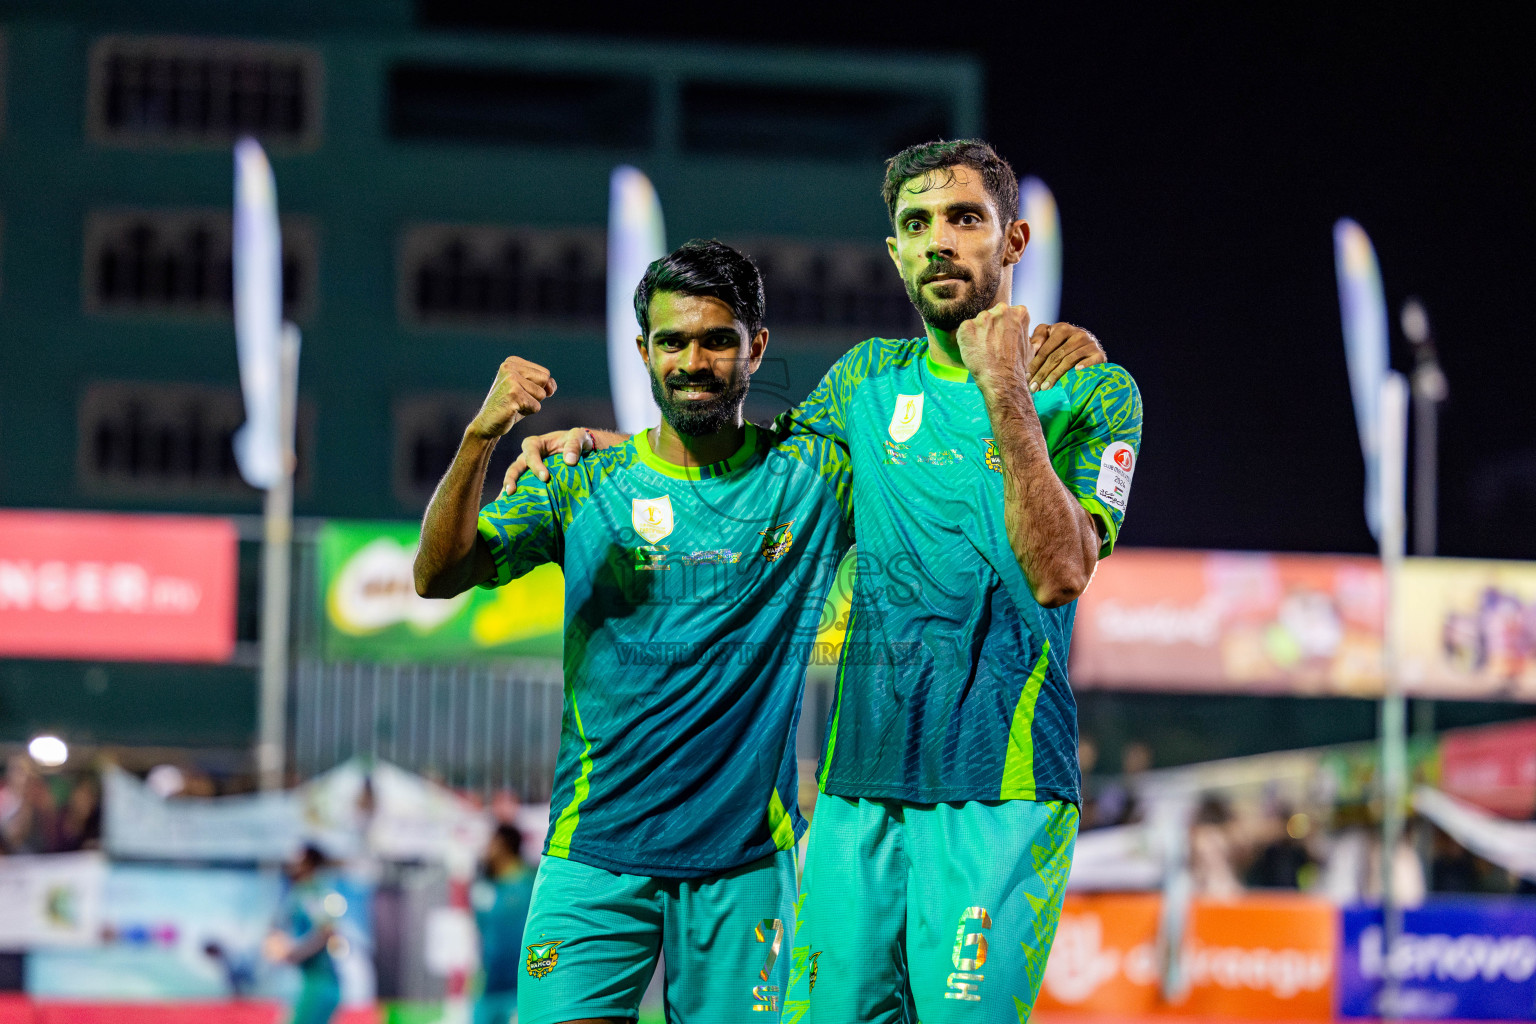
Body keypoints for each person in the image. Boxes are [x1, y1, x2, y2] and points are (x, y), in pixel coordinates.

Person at [504, 140, 1139, 1021]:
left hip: (1003, 785)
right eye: (917, 224)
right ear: (895, 253)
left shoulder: (1095, 393)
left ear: (1015, 239)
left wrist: (1006, 392)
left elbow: (1062, 570)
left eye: (965, 219)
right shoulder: (862, 383)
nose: (940, 242)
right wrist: (616, 450)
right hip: (856, 789)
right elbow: (748, 472)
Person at [414, 240, 858, 1023]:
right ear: (643, 351)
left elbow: (931, 444)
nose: (694, 360)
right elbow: (438, 574)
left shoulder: (814, 476)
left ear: (756, 347)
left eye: (717, 339)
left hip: (744, 868)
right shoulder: (580, 483)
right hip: (593, 861)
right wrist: (481, 436)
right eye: (673, 341)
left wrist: (1068, 356)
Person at [265, 844, 343, 1024]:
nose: (291, 864)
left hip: (321, 983)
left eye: (297, 860)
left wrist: (294, 954)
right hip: (313, 981)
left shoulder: (312, 892)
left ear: (308, 863)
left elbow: (327, 932)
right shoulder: (301, 892)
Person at [472, 824, 535, 1024]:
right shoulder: (484, 886)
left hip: (522, 988)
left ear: (501, 845)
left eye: (491, 842)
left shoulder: (532, 885)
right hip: (489, 986)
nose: (486, 848)